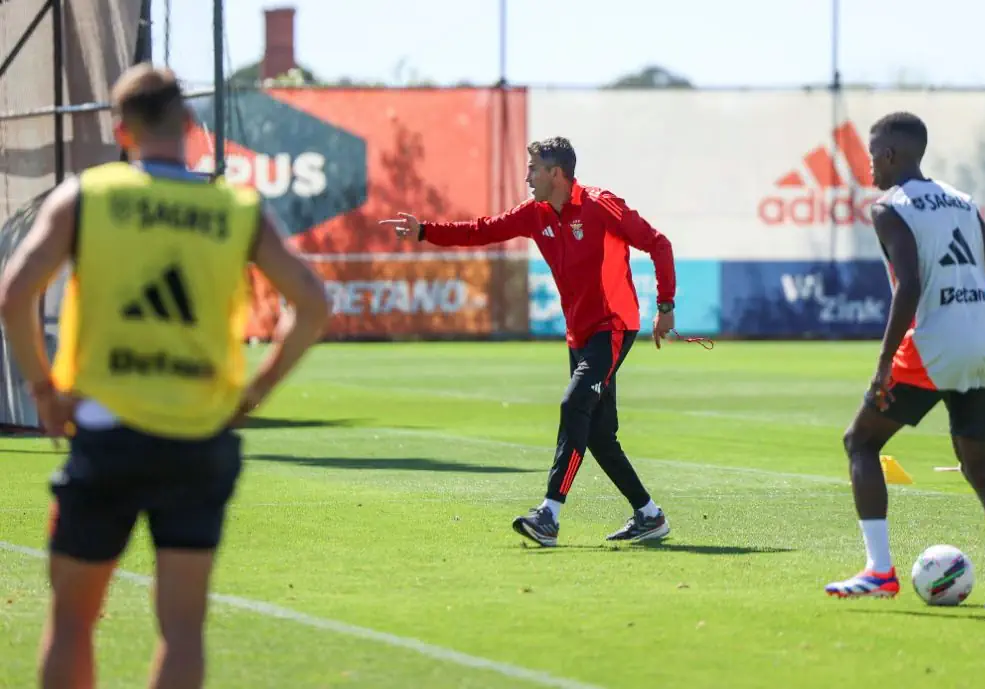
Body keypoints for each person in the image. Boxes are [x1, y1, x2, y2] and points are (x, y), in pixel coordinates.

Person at [0, 64, 330, 689]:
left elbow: (15, 291)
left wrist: (44, 390)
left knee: (72, 622)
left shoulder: (89, 195)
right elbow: (312, 303)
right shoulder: (236, 208)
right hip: (198, 438)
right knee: (182, 629)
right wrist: (256, 391)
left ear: (122, 132)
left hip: (106, 432)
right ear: (188, 125)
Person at [384, 136, 676, 547]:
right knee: (597, 433)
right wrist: (425, 231)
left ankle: (549, 515)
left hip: (612, 327)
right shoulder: (535, 213)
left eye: (534, 169)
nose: (527, 177)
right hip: (579, 331)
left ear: (556, 173)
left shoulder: (600, 204)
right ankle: (649, 514)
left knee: (574, 405)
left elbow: (658, 243)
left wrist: (665, 306)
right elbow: (481, 231)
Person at [824, 112, 985, 611]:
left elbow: (910, 285)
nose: (868, 165)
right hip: (984, 343)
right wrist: (972, 322)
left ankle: (879, 571)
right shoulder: (963, 201)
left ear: (889, 155)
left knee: (860, 441)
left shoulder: (889, 208)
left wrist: (884, 363)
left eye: (871, 155)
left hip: (932, 345)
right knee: (980, 466)